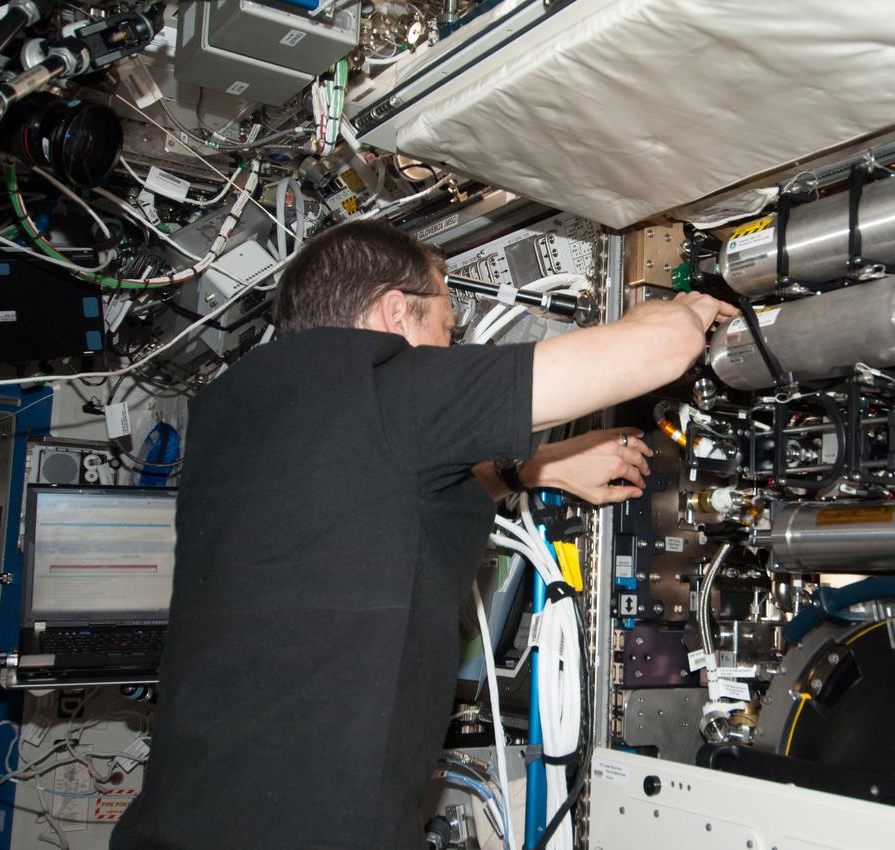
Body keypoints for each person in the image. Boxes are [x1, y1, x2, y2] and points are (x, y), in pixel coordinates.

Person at [111, 219, 737, 848]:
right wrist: (692, 304)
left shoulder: (238, 416)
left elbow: (395, 494)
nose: (451, 339)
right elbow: (656, 351)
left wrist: (534, 468)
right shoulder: (387, 383)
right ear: (394, 314)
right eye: (447, 325)